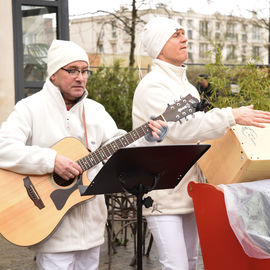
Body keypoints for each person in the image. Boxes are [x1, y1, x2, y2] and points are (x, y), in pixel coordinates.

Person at [0, 40, 167, 270]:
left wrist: (146, 137)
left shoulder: (96, 111)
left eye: (84, 71)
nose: (80, 77)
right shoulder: (29, 108)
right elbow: (4, 147)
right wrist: (51, 161)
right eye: (72, 70)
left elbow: (118, 146)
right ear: (54, 75)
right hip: (52, 232)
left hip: (92, 229)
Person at [132, 17, 270, 270]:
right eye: (176, 35)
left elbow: (201, 132)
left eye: (184, 34)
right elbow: (180, 130)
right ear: (159, 45)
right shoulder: (152, 87)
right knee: (175, 266)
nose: (185, 39)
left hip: (190, 190)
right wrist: (231, 115)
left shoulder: (187, 87)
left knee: (192, 263)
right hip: (162, 193)